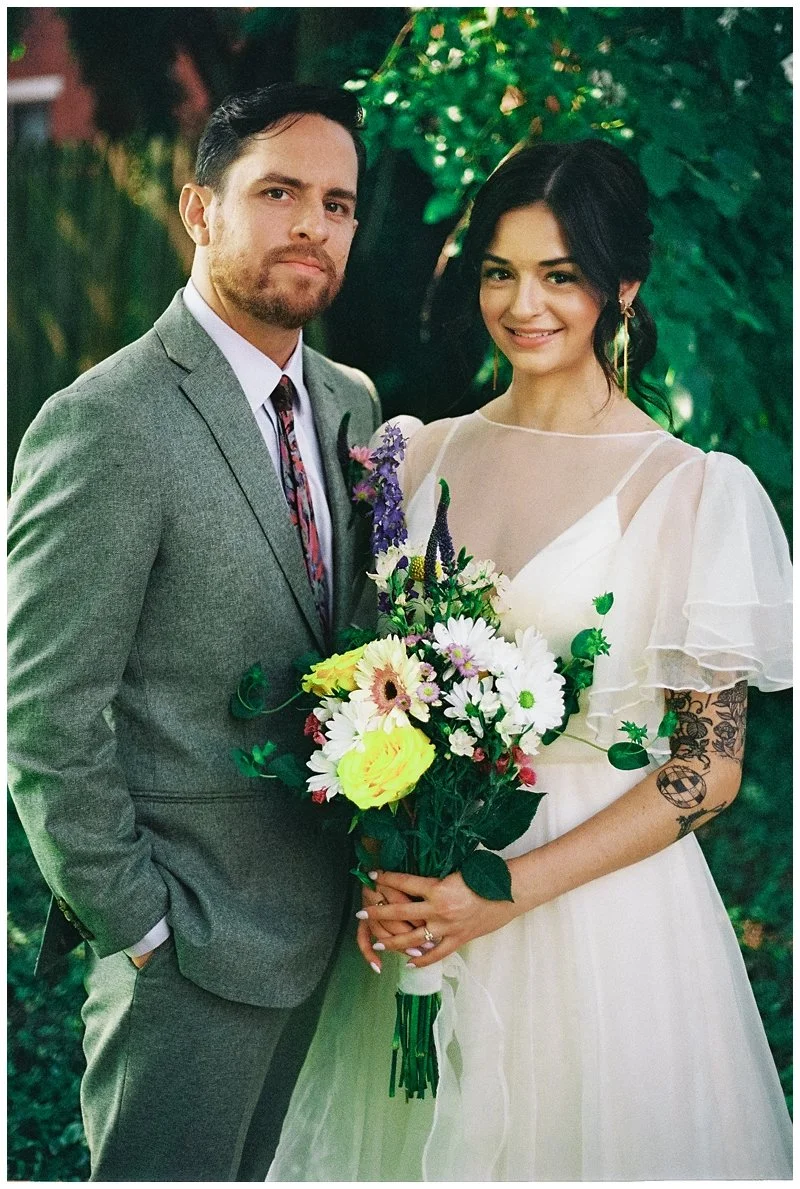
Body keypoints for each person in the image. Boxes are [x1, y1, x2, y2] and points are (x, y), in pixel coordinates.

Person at [267, 139, 792, 1180]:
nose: (524, 304)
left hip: (597, 914)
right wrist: (390, 847)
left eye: (560, 275)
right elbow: (376, 680)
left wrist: (502, 887)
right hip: (419, 906)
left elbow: (705, 769)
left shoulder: (690, 488)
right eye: (499, 271)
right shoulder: (417, 454)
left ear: (622, 287)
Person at [7, 82, 380, 1181]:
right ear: (199, 209)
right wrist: (141, 927)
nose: (313, 223)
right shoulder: (104, 423)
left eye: (338, 203)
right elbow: (43, 712)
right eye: (277, 191)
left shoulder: (352, 405)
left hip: (340, 945)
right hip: (190, 951)